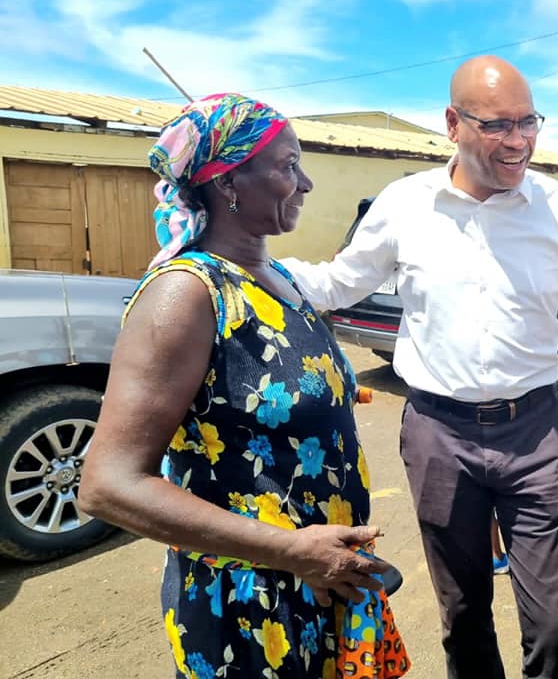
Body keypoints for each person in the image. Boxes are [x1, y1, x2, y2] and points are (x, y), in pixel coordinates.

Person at [283, 55, 558, 679]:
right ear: (453, 123)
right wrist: (242, 264)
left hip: (534, 433)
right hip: (438, 434)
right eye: (500, 125)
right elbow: (338, 283)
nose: (520, 141)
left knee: (554, 624)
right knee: (464, 611)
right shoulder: (405, 204)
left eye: (530, 122)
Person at [78, 94, 410, 679]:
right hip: (249, 608)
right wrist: (290, 551)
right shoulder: (186, 293)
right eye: (288, 165)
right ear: (228, 181)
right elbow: (108, 485)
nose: (305, 183)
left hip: (322, 584)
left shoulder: (278, 278)